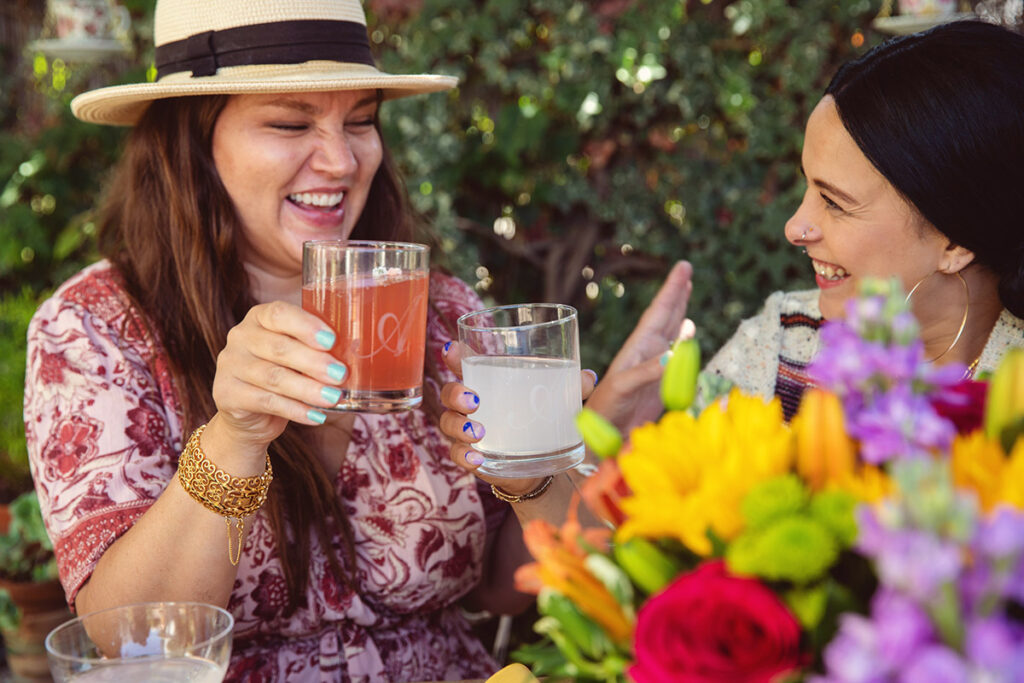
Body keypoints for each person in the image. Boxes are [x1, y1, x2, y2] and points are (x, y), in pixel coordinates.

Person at [22, 0, 692, 679]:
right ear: (190, 141)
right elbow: (133, 642)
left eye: (362, 120)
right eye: (290, 122)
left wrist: (547, 472)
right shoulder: (96, 327)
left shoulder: (441, 311)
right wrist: (234, 435)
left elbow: (502, 583)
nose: (342, 159)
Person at [441, 19, 1024, 474]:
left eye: (836, 202)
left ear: (955, 242)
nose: (795, 227)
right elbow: (632, 554)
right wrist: (556, 455)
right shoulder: (785, 340)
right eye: (805, 187)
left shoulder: (1012, 390)